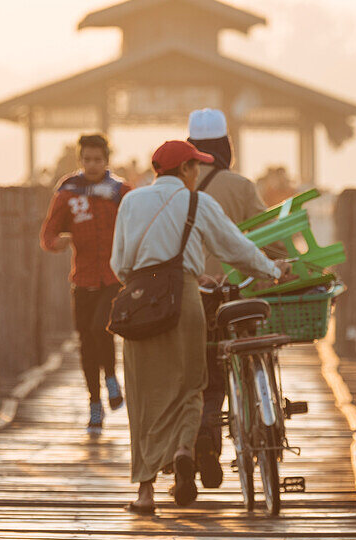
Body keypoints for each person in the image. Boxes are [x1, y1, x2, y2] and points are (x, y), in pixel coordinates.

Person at [110, 140, 291, 512]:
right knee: (190, 385)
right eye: (196, 168)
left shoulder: (131, 201)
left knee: (143, 394)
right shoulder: (198, 203)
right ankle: (182, 449)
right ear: (187, 170)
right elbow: (235, 248)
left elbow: (120, 264)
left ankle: (145, 493)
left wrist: (149, 280)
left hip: (141, 301)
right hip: (185, 299)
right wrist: (272, 271)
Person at [186, 107, 286, 489]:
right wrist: (287, 265)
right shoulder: (242, 187)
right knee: (232, 362)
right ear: (226, 146)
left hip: (191, 292)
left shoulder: (180, 186)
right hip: (235, 293)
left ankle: (203, 437)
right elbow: (270, 240)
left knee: (202, 375)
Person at [40, 133, 132, 435]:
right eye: (87, 160)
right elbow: (48, 234)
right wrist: (59, 242)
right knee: (86, 344)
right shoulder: (68, 192)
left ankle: (112, 377)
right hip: (82, 279)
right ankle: (95, 403)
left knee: (99, 328)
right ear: (80, 160)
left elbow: (137, 226)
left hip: (112, 277)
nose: (92, 165)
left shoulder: (121, 192)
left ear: (107, 160)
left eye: (98, 159)